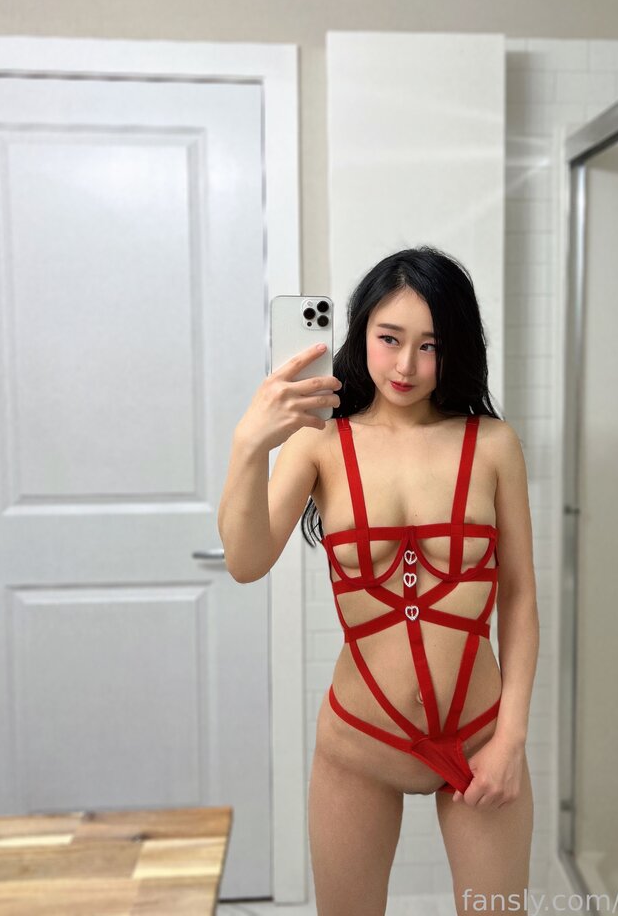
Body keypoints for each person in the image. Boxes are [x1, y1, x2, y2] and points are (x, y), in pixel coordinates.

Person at [218, 246, 538, 916]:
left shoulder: (493, 444)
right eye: (389, 339)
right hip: (358, 746)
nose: (405, 366)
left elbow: (518, 597)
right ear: (360, 330)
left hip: (481, 740)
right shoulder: (318, 442)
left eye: (430, 345)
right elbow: (247, 562)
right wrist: (250, 444)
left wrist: (510, 739)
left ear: (455, 347)